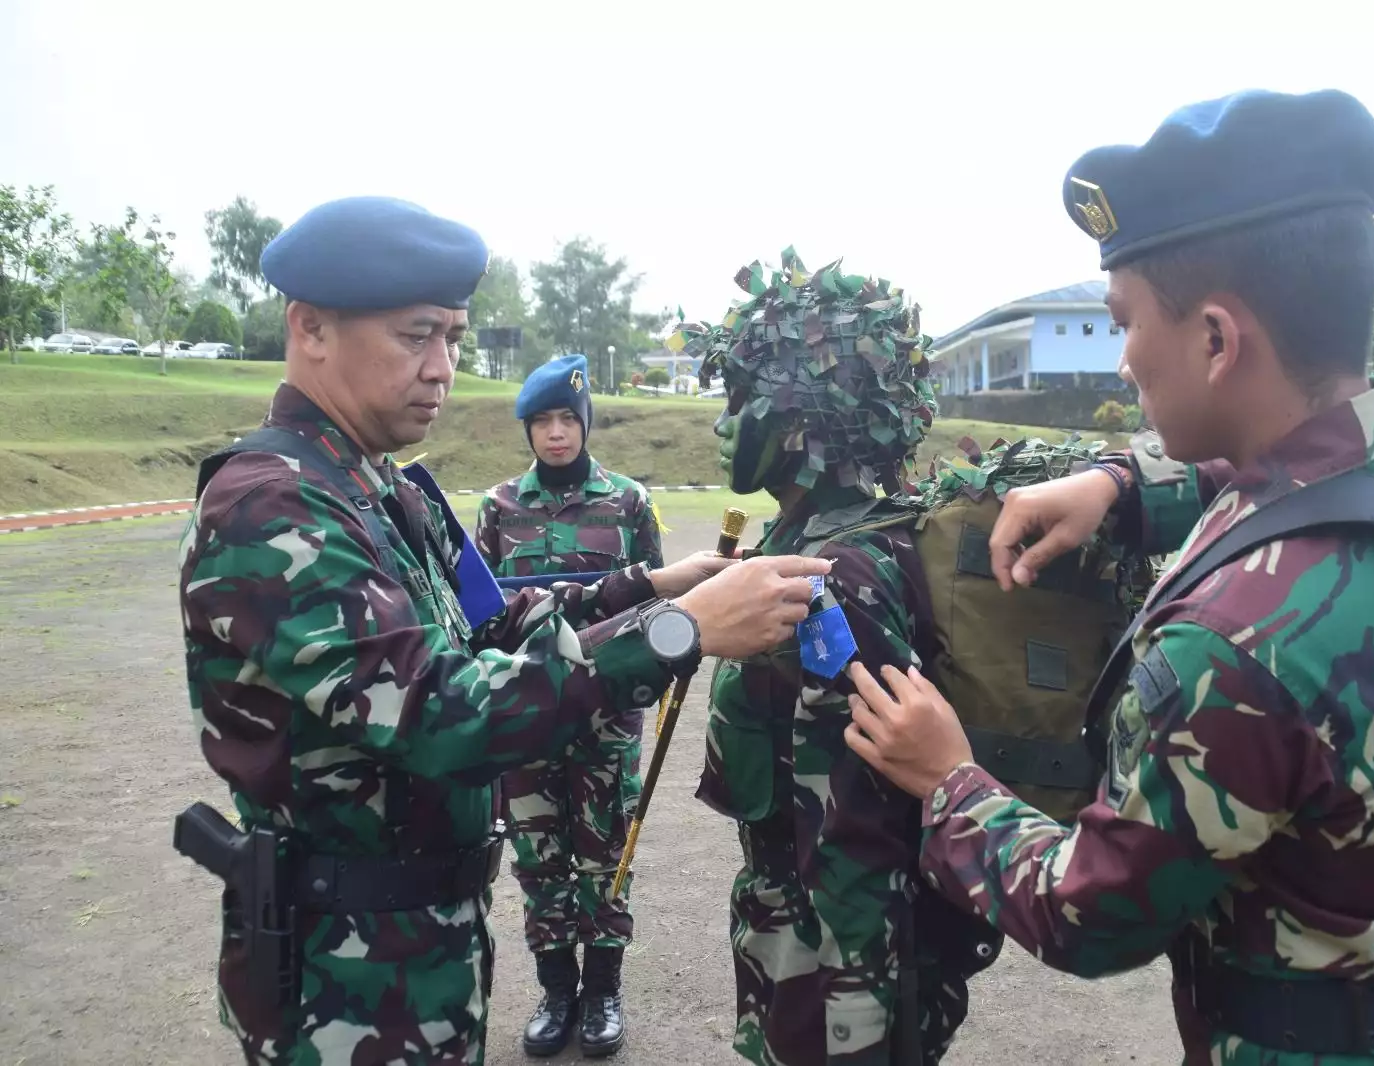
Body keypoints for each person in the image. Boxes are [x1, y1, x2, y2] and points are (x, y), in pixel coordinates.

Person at [841, 90, 1374, 1064]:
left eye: (1125, 321)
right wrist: (1119, 484)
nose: (1122, 359)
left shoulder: (1230, 640)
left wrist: (948, 778)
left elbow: (1093, 913)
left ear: (1215, 338)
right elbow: (1298, 469)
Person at [175, 196, 833, 1066]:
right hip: (341, 973)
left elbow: (494, 620)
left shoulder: (387, 490)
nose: (443, 367)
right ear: (311, 329)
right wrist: (678, 632)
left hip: (423, 943)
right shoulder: (271, 508)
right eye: (417, 336)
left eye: (454, 337)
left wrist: (648, 587)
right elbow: (442, 713)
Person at [673, 249, 1147, 1066]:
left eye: (739, 400)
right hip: (801, 934)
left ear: (798, 420)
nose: (725, 423)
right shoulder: (826, 540)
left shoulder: (831, 576)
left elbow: (855, 820)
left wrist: (859, 1022)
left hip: (833, 968)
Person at [474, 352, 662, 1057]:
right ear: (528, 430)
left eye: (566, 419)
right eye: (541, 421)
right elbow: (479, 613)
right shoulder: (498, 508)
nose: (555, 434)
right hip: (523, 714)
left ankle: (603, 992)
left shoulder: (628, 502)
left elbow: (655, 601)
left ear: (584, 423)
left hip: (607, 712)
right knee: (537, 851)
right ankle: (557, 990)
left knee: (606, 851)